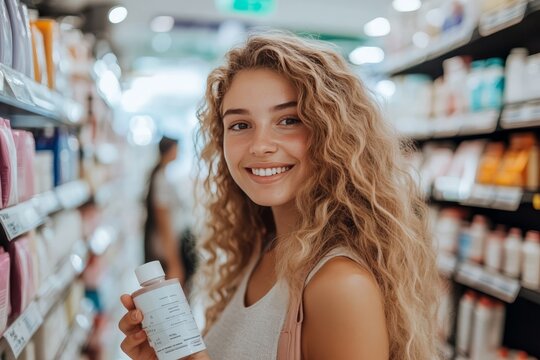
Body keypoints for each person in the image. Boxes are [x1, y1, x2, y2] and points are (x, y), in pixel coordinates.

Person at [119, 32, 439, 360]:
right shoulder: (262, 247)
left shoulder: (340, 286)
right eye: (240, 125)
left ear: (334, 135)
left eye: (289, 120)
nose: (260, 145)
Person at [143, 136, 197, 286]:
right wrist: (174, 262)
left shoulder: (161, 175)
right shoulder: (161, 179)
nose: (178, 153)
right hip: (167, 248)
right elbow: (163, 222)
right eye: (176, 149)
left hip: (170, 244)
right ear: (170, 150)